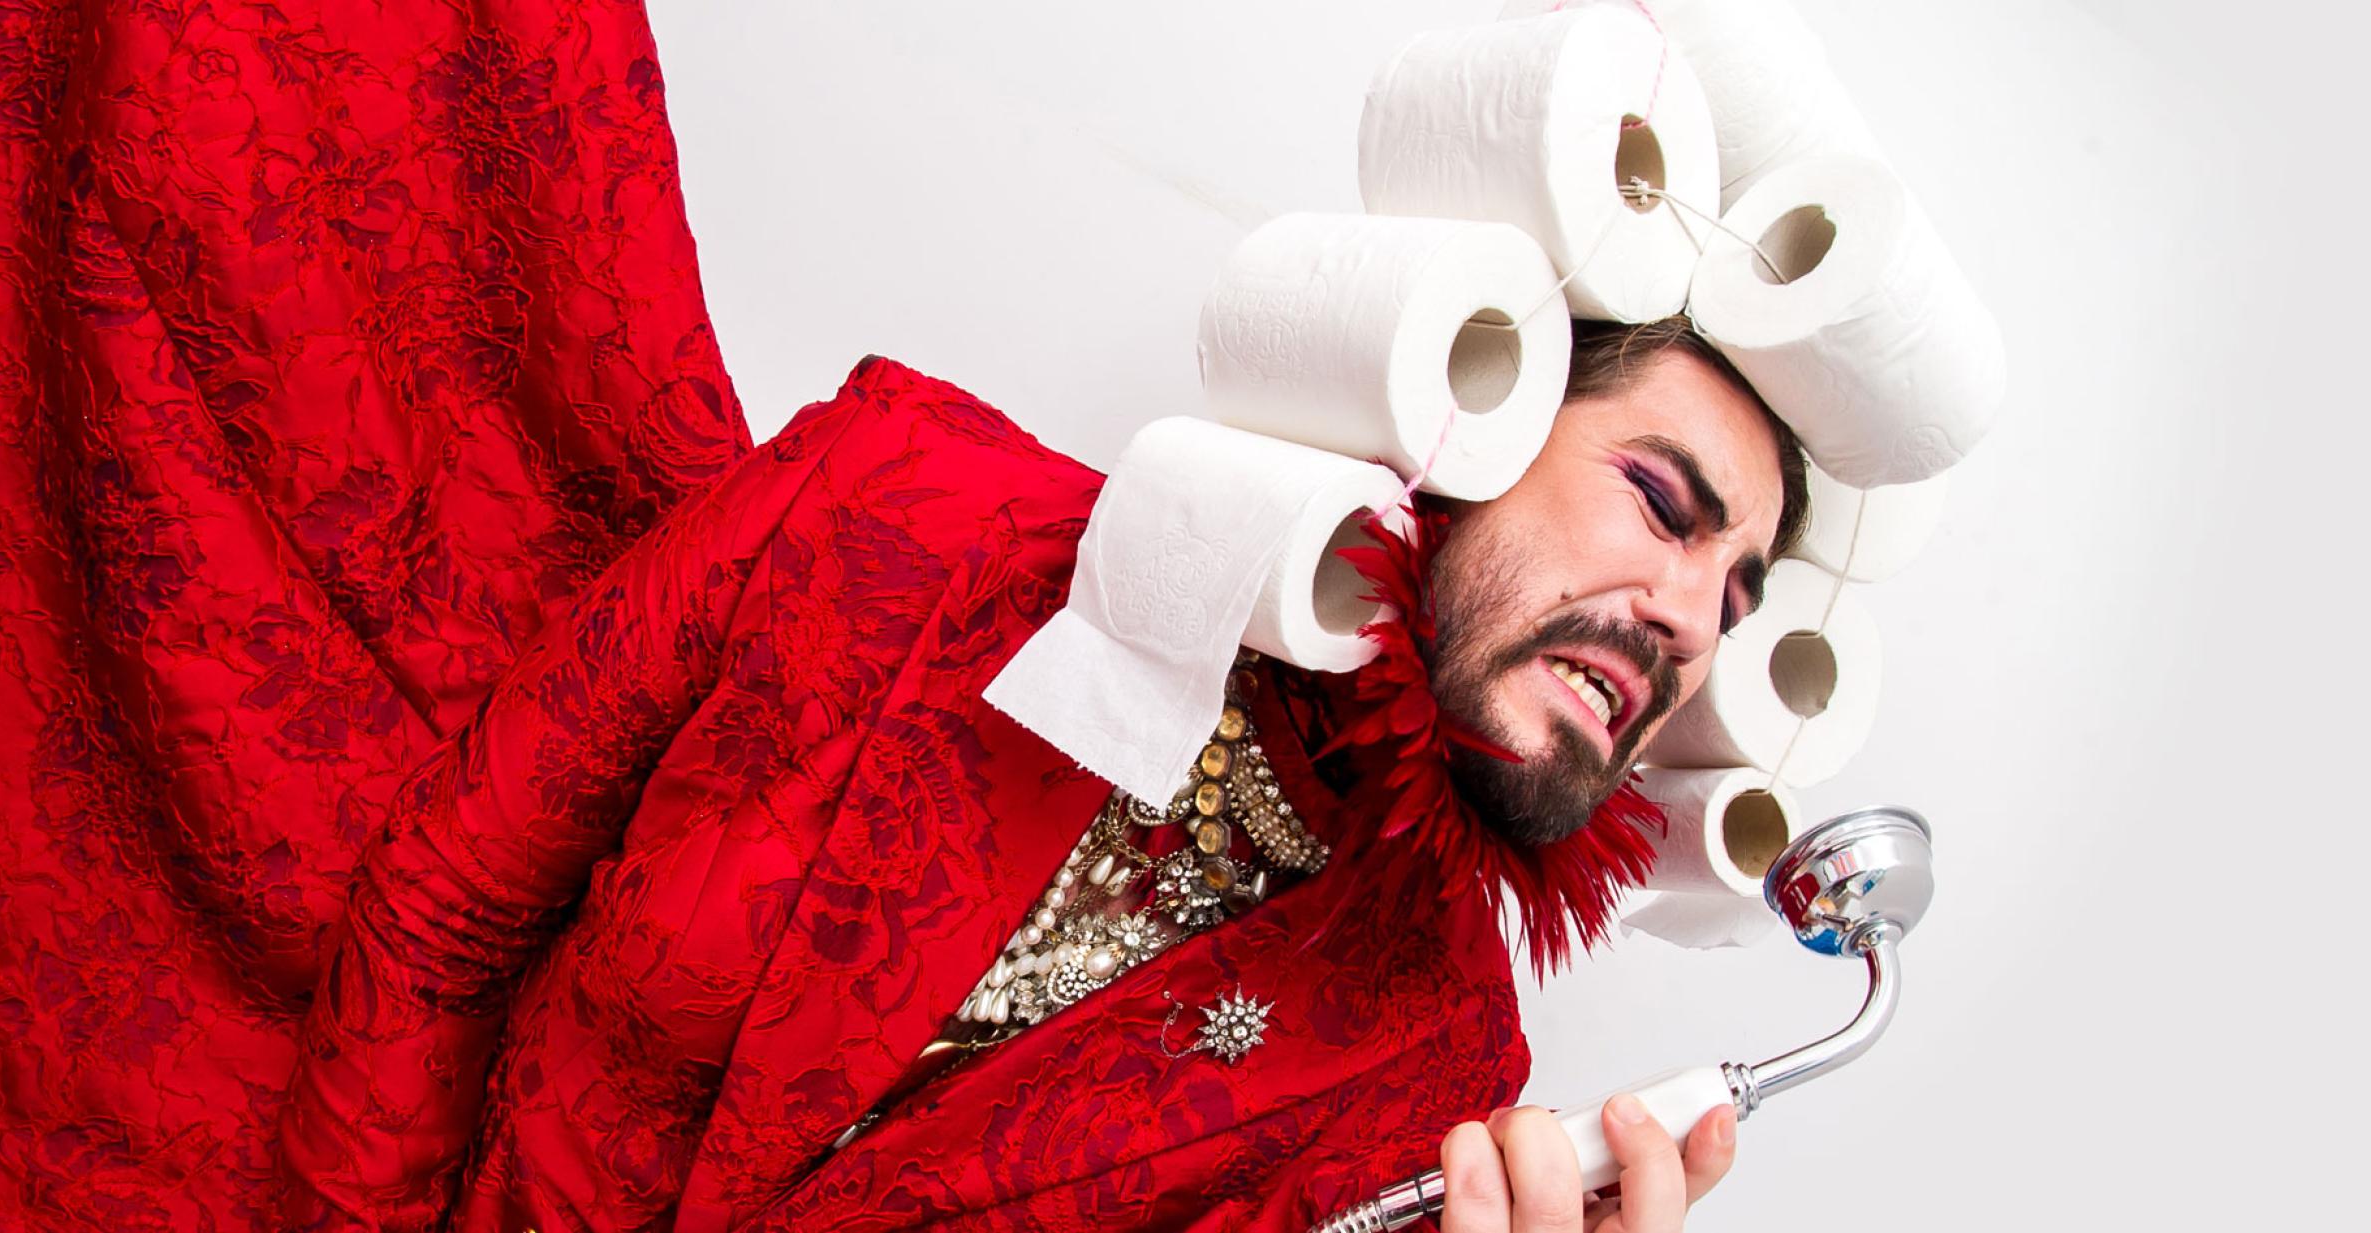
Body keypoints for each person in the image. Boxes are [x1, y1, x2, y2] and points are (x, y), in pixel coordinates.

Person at [276, 317, 1810, 1232]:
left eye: (1736, 601)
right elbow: (446, 897)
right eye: (1667, 506)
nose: (1691, 618)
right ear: (1471, 405)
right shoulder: (902, 494)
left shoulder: (1434, 1064)